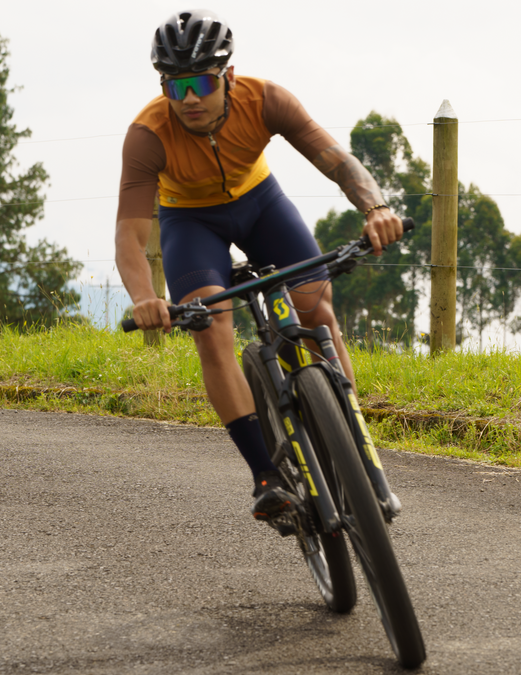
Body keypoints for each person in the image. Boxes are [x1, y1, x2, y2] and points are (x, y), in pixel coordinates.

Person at [115, 9, 404, 528]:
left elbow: (337, 160)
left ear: (227, 76)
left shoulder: (266, 99)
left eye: (202, 83)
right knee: (212, 325)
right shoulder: (147, 135)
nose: (189, 100)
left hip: (260, 202)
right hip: (188, 219)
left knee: (316, 310)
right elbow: (130, 236)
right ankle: (265, 475)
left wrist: (375, 206)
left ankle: (348, 432)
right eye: (175, 87)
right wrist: (144, 296)